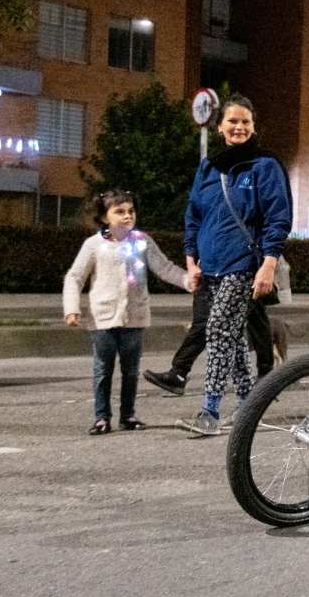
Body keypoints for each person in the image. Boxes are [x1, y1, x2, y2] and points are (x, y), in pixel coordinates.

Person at [176, 95, 292, 436]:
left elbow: (278, 217)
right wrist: (190, 260)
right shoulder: (209, 167)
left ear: (254, 127)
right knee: (231, 337)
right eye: (233, 122)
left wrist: (268, 264)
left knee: (216, 331)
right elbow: (193, 215)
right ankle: (247, 405)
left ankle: (209, 412)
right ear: (221, 127)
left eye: (246, 122)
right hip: (208, 267)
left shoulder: (265, 165)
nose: (239, 127)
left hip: (243, 264)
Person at [63, 189, 189, 435]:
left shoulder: (142, 241)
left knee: (130, 371)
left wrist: (188, 281)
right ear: (104, 217)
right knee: (103, 369)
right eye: (119, 212)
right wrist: (72, 308)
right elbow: (75, 277)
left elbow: (164, 268)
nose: (127, 216)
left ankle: (128, 415)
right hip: (102, 318)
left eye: (130, 211)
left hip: (135, 317)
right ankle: (102, 417)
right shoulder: (94, 245)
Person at [141, 287, 274, 398]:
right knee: (204, 322)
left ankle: (265, 375)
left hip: (238, 268)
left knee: (253, 316)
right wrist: (192, 264)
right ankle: (179, 373)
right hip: (209, 269)